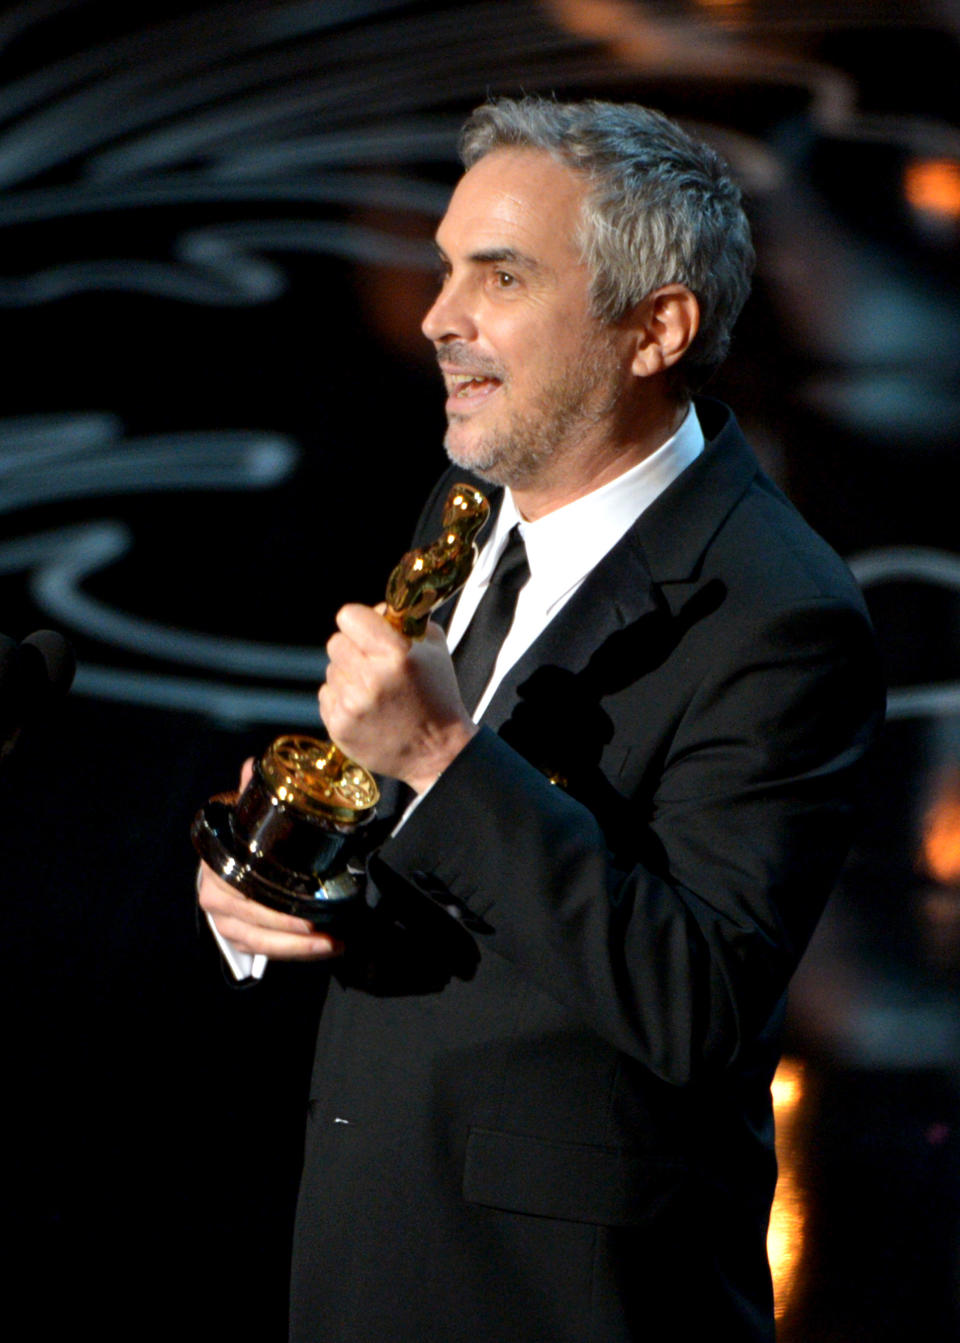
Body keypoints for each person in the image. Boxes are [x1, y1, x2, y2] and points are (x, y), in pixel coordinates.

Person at [199, 97, 883, 1342]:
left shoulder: (782, 611)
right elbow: (469, 897)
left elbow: (700, 1001)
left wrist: (444, 760)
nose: (436, 316)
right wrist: (274, 885)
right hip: (369, 1257)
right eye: (445, 265)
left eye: (499, 275)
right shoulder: (465, 516)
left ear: (654, 328)